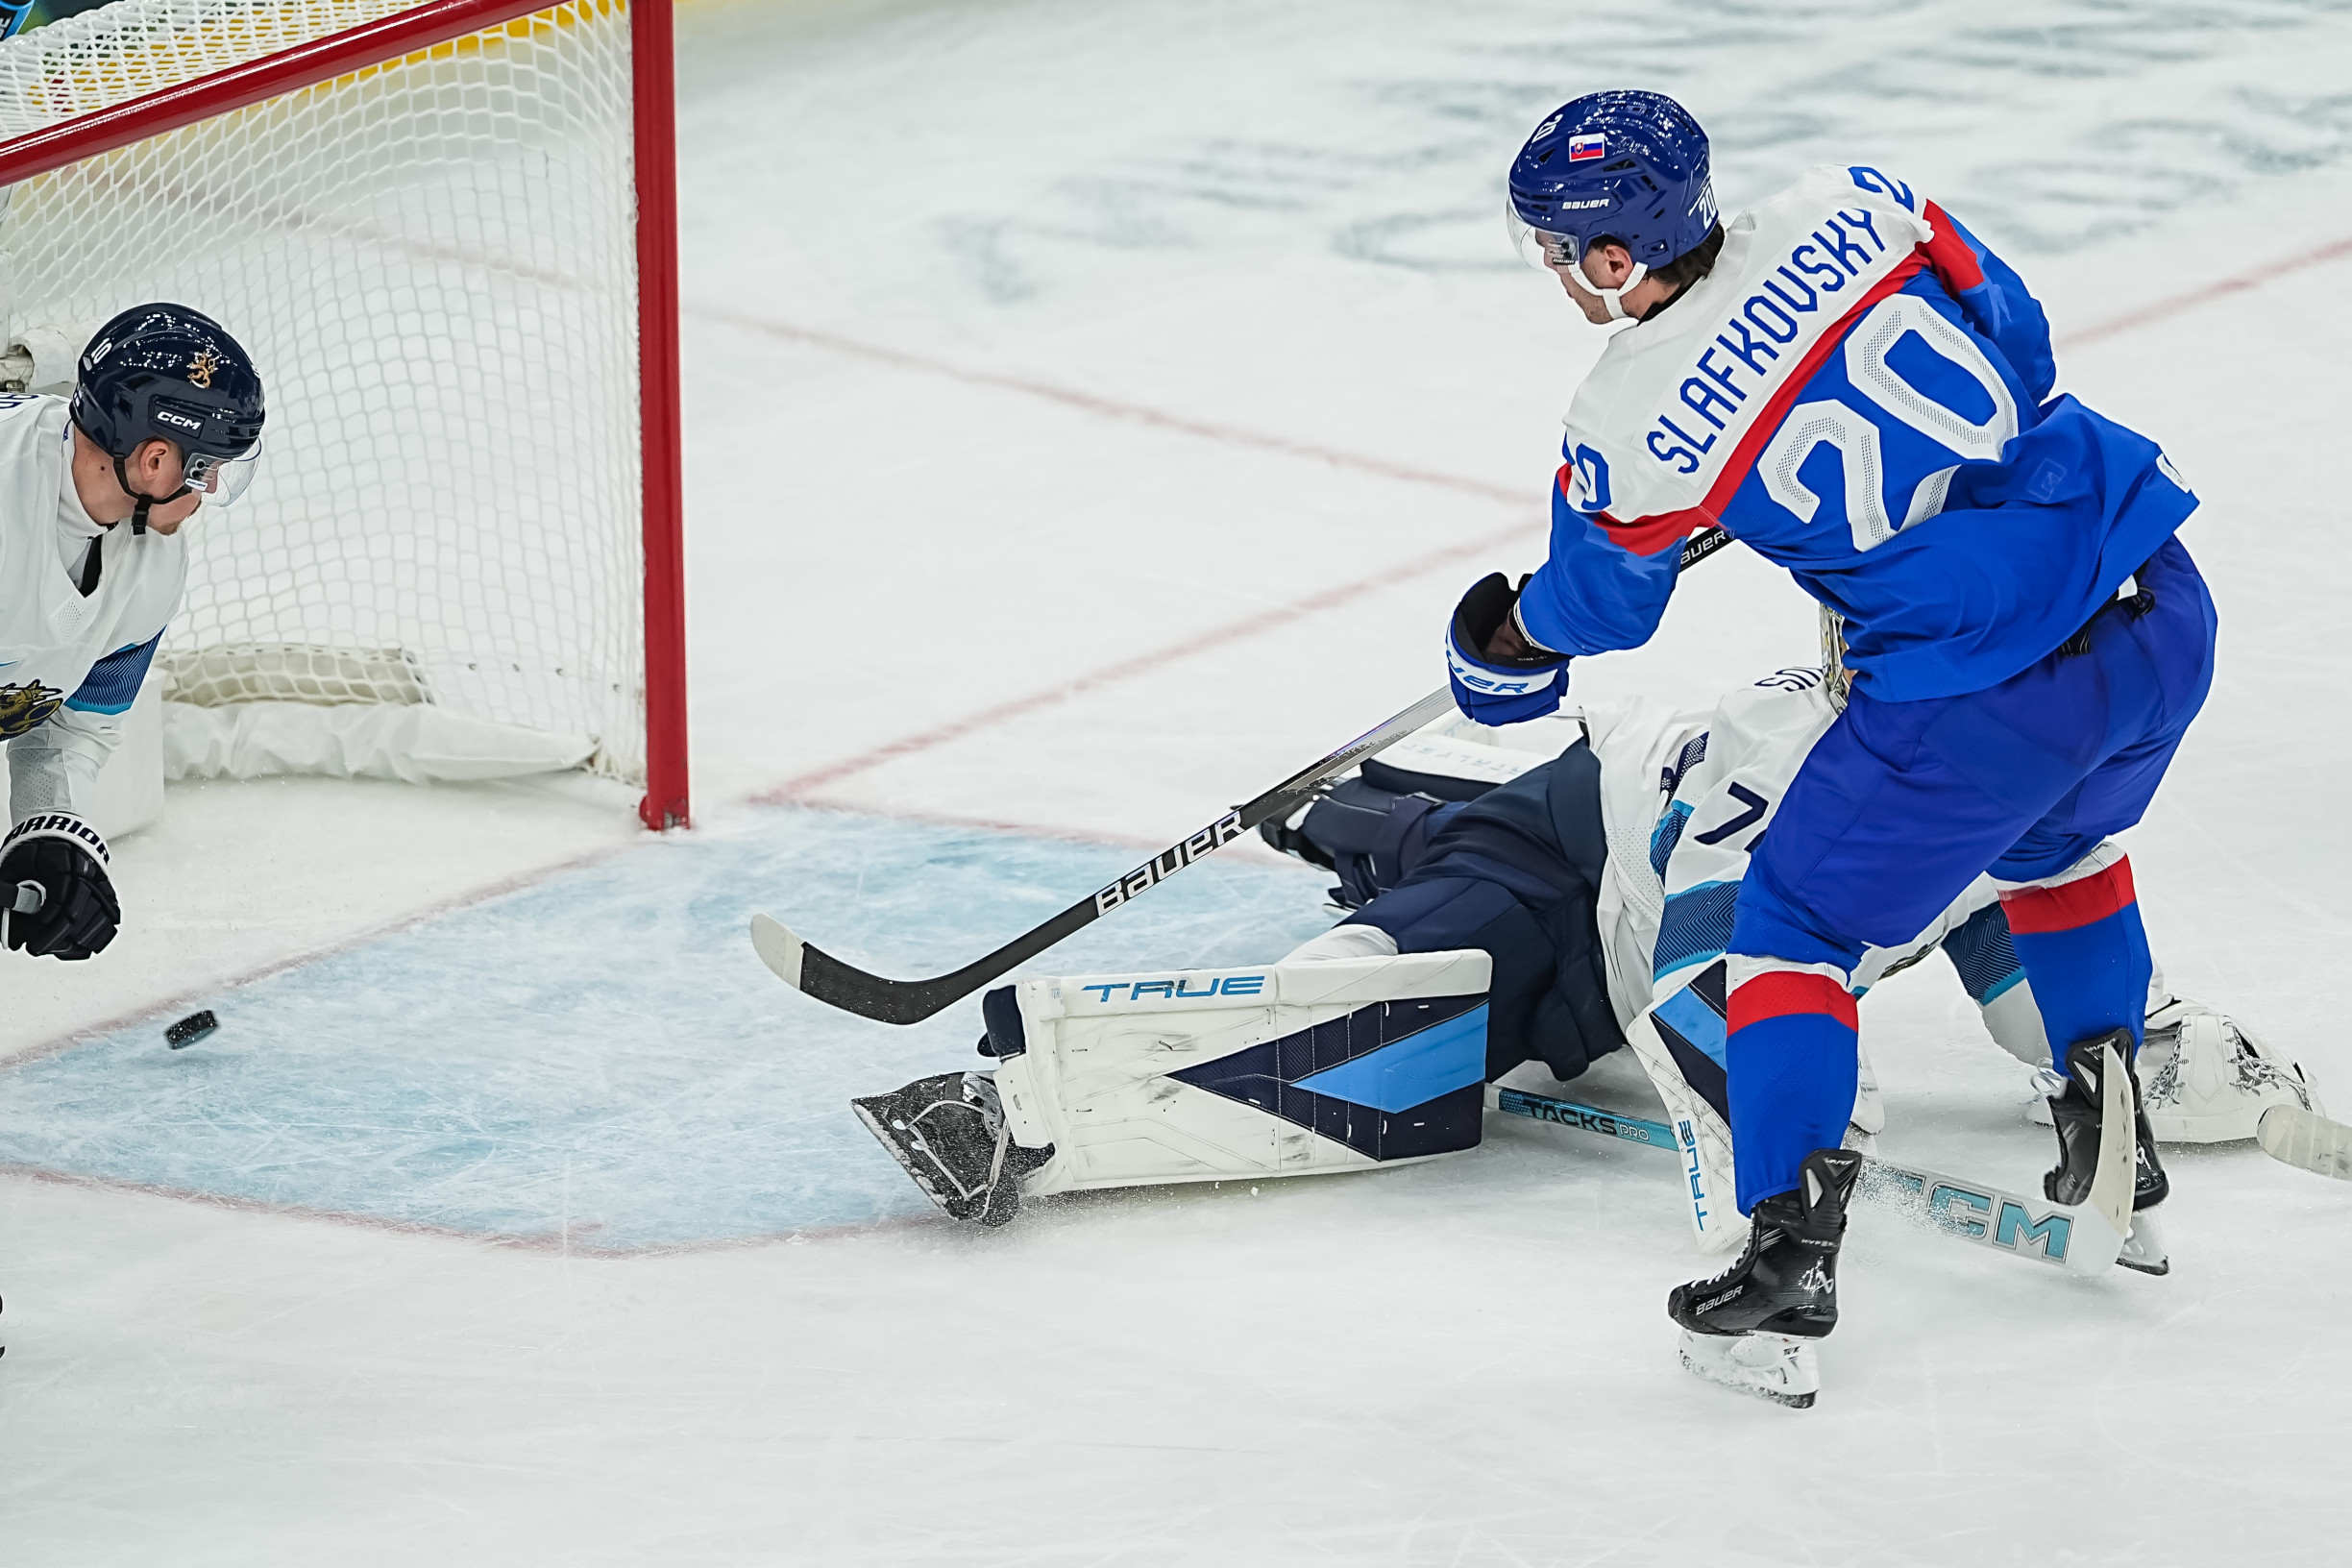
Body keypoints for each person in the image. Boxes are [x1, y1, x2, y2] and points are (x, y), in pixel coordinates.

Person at [1453, 89, 2216, 1395]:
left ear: (1615, 254)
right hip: (2154, 604)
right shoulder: (1853, 203)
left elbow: (1603, 606)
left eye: (1557, 249)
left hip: (1982, 697)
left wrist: (1507, 640)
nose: (1555, 274)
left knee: (1790, 932)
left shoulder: (1627, 413)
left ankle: (1789, 1248)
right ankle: (2111, 1128)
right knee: (2058, 847)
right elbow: (2018, 345)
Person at [848, 666, 2309, 1262]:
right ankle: (1020, 1105)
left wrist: (2170, 1067)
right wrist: (1791, 1138)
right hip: (1564, 867)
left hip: (1618, 859)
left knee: (1427, 883)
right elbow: (1697, 1005)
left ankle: (1367, 817)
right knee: (1401, 1012)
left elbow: (2044, 1006)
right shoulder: (1815, 783)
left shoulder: (1994, 806)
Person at [1, 305, 265, 962]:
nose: (205, 491)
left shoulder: (153, 567)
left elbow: (74, 722)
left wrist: (48, 831)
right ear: (153, 460)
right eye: (203, 468)